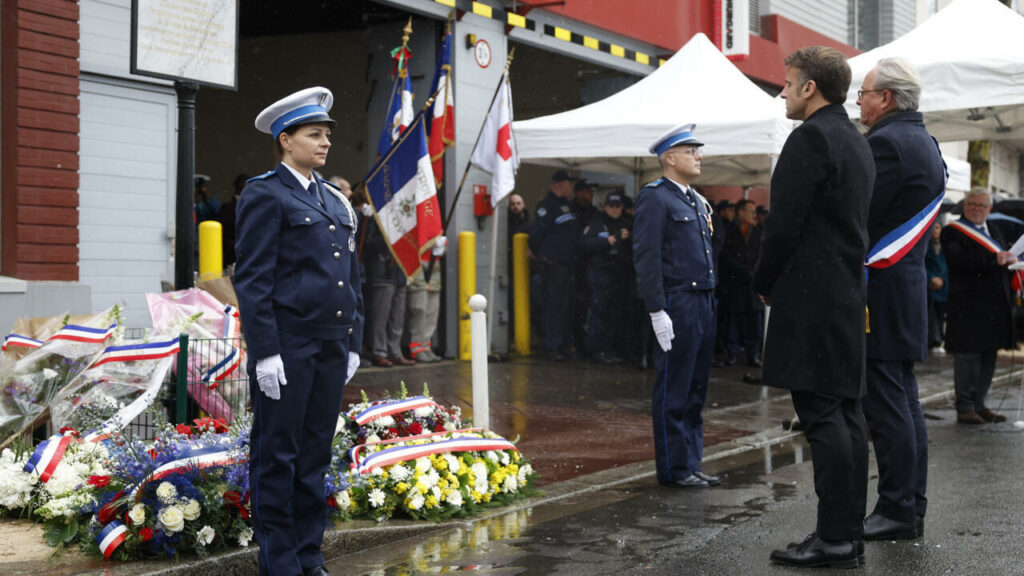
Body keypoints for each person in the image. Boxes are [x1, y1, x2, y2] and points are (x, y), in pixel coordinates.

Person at [234, 86, 363, 576]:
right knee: (278, 455)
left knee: (314, 456)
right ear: (286, 140)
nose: (325, 142)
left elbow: (353, 277)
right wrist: (265, 351)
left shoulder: (333, 198)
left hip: (330, 345)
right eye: (314, 134)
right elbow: (252, 277)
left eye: (327, 133)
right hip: (288, 346)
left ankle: (311, 557)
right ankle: (281, 563)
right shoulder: (265, 193)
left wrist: (353, 340)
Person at [753, 47, 874, 569]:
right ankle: (845, 531)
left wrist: (764, 280)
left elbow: (784, 224)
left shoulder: (811, 138)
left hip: (810, 296)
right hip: (845, 293)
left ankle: (835, 538)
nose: (781, 91)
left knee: (824, 419)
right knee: (845, 416)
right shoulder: (856, 141)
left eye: (787, 82)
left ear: (809, 88)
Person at [855, 57, 946, 542]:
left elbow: (859, 214)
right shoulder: (924, 142)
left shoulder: (887, 143)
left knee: (888, 406)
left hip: (882, 289)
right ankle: (909, 506)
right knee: (904, 404)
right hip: (903, 288)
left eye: (865, 92)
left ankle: (896, 507)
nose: (859, 100)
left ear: (886, 98)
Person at [633, 123, 720, 489]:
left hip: (703, 299)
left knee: (696, 387)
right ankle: (674, 469)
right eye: (690, 151)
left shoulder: (694, 200)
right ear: (669, 158)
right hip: (678, 300)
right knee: (674, 387)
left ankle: (691, 462)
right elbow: (647, 256)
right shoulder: (655, 197)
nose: (698, 156)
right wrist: (657, 309)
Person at [941, 187, 1016, 425]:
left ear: (989, 209)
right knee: (968, 357)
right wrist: (993, 259)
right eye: (972, 205)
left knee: (988, 357)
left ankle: (980, 403)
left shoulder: (994, 230)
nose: (976, 209)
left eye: (982, 206)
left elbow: (1002, 257)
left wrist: (1012, 259)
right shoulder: (952, 232)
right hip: (967, 307)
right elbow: (958, 261)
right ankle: (965, 406)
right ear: (965, 206)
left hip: (994, 308)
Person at [529, 170, 581, 361]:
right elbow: (535, 235)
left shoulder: (566, 206)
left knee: (564, 306)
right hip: (554, 265)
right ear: (559, 185)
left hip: (567, 265)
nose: (571, 187)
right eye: (569, 183)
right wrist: (543, 256)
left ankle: (562, 345)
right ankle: (552, 346)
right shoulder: (547, 206)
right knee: (553, 306)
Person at [582, 192, 632, 364]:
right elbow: (585, 244)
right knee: (599, 312)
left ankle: (609, 350)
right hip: (600, 273)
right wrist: (607, 241)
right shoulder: (597, 223)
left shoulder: (626, 224)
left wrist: (628, 237)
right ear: (606, 207)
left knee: (614, 313)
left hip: (618, 275)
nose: (615, 210)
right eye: (611, 206)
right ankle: (596, 350)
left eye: (618, 206)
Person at [363, 216, 413, 367]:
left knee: (398, 317)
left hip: (400, 272)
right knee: (381, 317)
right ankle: (380, 352)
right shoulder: (376, 218)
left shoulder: (404, 219)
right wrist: (388, 238)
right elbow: (366, 244)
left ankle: (395, 352)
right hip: (383, 272)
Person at [719, 199, 764, 367]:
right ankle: (733, 353)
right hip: (736, 283)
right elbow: (726, 256)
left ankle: (754, 355)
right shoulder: (729, 231)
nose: (754, 215)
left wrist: (755, 273)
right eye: (751, 211)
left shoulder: (760, 233)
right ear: (741, 212)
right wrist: (743, 271)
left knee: (755, 321)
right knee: (734, 321)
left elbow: (764, 255)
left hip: (754, 285)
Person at [406, 238, 447, 363]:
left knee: (432, 308)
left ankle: (425, 345)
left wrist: (441, 248)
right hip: (416, 262)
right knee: (419, 307)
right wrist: (430, 245)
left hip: (434, 263)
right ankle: (417, 346)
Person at [925, 222, 949, 352]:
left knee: (941, 315)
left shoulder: (945, 246)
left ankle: (939, 340)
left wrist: (943, 280)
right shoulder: (926, 246)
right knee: (931, 314)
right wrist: (931, 278)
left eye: (937, 227)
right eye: (933, 228)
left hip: (943, 286)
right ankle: (933, 340)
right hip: (931, 286)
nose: (935, 231)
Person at [218, 173, 249, 269]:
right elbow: (225, 236)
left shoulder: (256, 206)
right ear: (239, 186)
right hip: (233, 259)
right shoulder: (227, 208)